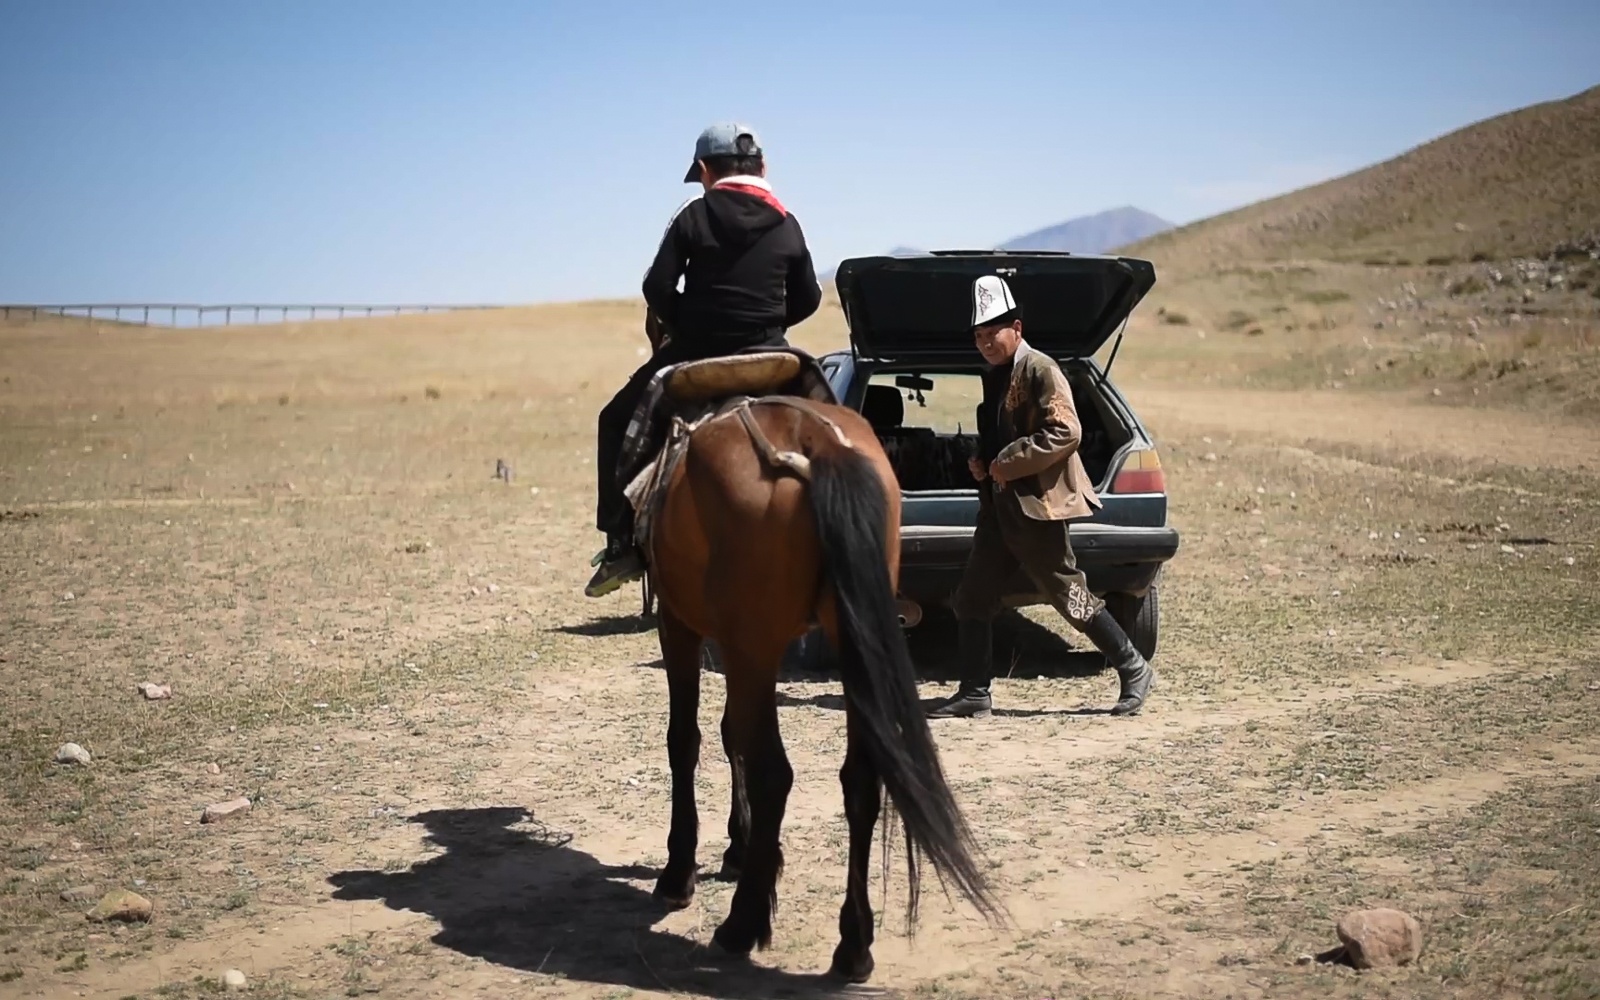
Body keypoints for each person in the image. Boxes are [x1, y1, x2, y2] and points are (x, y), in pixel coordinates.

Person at [585, 122, 823, 598]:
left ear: (704, 169)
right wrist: (771, 325)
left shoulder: (694, 216)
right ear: (763, 167)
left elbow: (656, 288)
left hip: (698, 351)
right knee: (834, 417)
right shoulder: (787, 222)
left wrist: (689, 327)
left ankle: (621, 544)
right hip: (771, 352)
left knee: (614, 421)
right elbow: (810, 297)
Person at [925, 274, 1154, 718]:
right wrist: (983, 461)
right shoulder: (997, 375)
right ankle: (975, 692)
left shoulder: (1040, 369)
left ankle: (1133, 666)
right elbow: (1002, 433)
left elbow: (1065, 431)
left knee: (1068, 594)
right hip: (1000, 511)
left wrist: (1005, 462)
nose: (986, 342)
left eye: (994, 333)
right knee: (972, 595)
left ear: (1017, 329)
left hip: (1036, 511)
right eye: (979, 335)